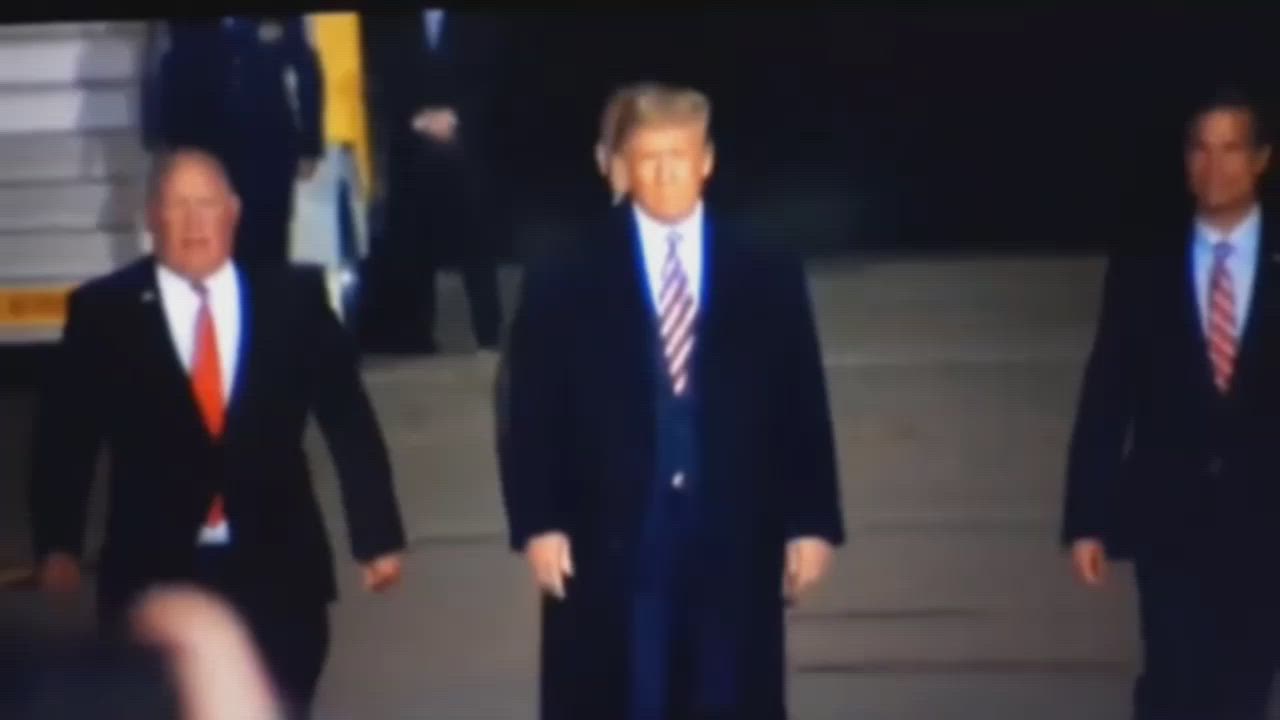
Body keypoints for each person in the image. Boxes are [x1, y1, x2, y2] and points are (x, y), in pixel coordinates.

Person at [501, 83, 845, 720]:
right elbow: (531, 410)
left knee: (727, 688)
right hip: (611, 533)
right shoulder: (566, 273)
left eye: (680, 157)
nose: (665, 174)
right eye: (649, 159)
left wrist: (812, 521)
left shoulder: (764, 269)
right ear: (623, 166)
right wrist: (540, 523)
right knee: (624, 690)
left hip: (735, 526)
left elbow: (800, 402)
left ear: (706, 160)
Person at [29, 148, 407, 720]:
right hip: (156, 573)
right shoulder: (105, 313)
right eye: (177, 206)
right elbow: (65, 438)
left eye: (206, 204)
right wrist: (58, 543)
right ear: (151, 217)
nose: (194, 222)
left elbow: (347, 418)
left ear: (233, 213)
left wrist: (376, 534)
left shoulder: (292, 299)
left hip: (279, 569)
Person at [1061, 87, 1280, 720]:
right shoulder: (1145, 263)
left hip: (1266, 519)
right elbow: (1108, 390)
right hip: (1170, 518)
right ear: (1186, 160)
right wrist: (1086, 516)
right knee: (1172, 680)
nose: (1215, 167)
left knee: (1244, 685)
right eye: (1201, 150)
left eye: (1231, 150)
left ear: (1261, 159)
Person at [358, 9, 506, 354]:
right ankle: (418, 335)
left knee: (476, 245)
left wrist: (456, 117)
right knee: (416, 246)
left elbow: (493, 79)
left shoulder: (478, 20)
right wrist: (418, 120)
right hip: (413, 150)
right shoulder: (396, 23)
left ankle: (489, 333)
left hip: (467, 150)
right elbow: (384, 79)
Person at [143, 16, 324, 271]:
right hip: (202, 142)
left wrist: (310, 144)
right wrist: (164, 140)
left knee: (268, 243)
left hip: (268, 145)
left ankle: (265, 293)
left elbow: (305, 67)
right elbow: (167, 65)